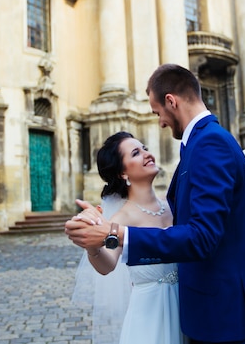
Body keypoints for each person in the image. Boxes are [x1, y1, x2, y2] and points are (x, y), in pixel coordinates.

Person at [66, 63, 245, 344]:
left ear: (171, 101)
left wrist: (114, 233)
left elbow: (203, 232)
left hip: (215, 313)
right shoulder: (124, 215)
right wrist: (96, 242)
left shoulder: (206, 146)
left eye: (158, 112)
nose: (160, 122)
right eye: (136, 153)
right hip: (163, 316)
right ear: (123, 173)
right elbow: (110, 255)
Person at [72, 131, 186, 344]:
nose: (147, 154)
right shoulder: (120, 217)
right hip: (150, 314)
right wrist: (92, 247)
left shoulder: (173, 204)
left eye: (144, 147)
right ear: (122, 174)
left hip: (188, 307)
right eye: (136, 153)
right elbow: (107, 265)